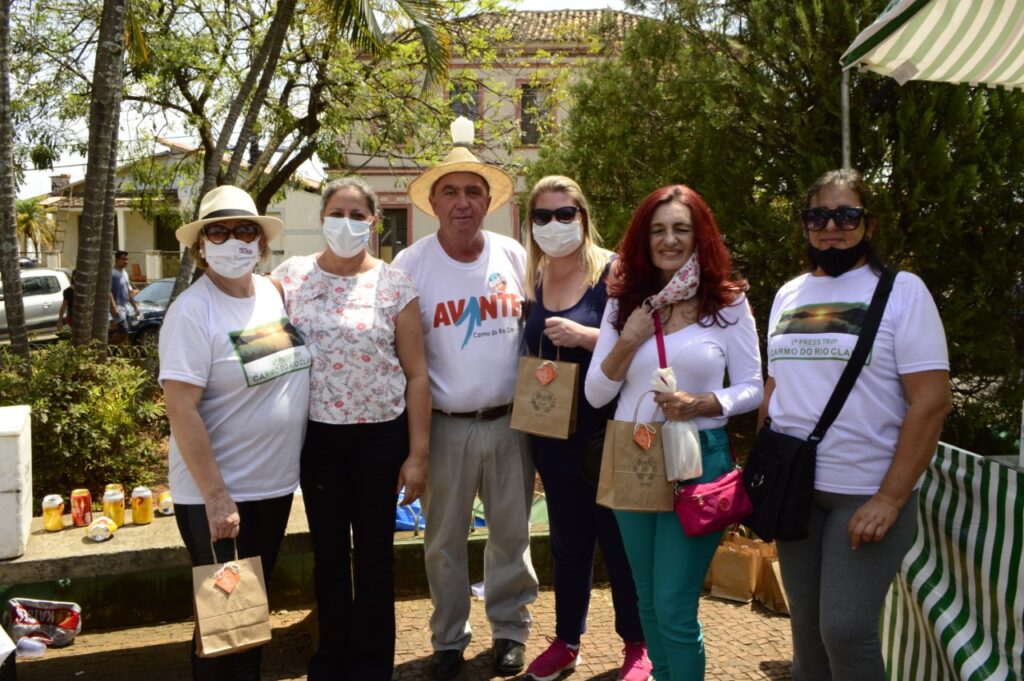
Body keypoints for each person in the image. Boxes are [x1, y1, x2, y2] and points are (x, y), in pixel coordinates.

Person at [762, 169, 951, 681]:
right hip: (797, 491)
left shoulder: (903, 292)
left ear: (869, 224)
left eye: (846, 216)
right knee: (806, 632)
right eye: (818, 216)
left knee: (845, 630)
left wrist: (890, 498)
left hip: (866, 492)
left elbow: (931, 402)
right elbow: (776, 388)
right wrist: (765, 474)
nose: (831, 228)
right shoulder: (788, 294)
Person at [585, 184, 763, 681]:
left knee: (673, 604)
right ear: (643, 240)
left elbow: (753, 387)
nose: (669, 240)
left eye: (681, 229)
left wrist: (703, 403)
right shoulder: (623, 304)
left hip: (698, 458)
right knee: (645, 597)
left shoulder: (727, 303)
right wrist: (630, 339)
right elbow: (596, 394)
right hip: (634, 452)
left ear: (699, 236)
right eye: (658, 230)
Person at [272, 177, 430, 681]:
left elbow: (417, 374)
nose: (346, 223)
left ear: (374, 222)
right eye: (336, 213)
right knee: (330, 557)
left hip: (380, 439)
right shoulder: (290, 278)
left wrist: (418, 454)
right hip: (317, 439)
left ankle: (371, 665)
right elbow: (258, 344)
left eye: (357, 215)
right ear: (322, 219)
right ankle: (330, 659)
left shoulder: (395, 285)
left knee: (376, 559)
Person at [392, 141, 538, 680]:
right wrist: (413, 446)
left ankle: (510, 631)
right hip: (445, 426)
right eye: (450, 191)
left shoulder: (514, 256)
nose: (462, 202)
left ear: (488, 201)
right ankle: (449, 639)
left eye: (473, 191)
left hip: (511, 422)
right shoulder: (410, 265)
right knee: (443, 542)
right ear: (433, 202)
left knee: (512, 535)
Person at [159, 185, 312, 681]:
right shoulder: (192, 310)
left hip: (272, 488)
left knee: (245, 614)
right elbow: (181, 408)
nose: (233, 241)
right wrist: (217, 497)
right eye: (218, 232)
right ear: (200, 246)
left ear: (261, 243)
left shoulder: (271, 293)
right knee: (229, 625)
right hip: (223, 497)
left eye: (244, 230)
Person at [520, 176, 650, 681]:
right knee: (568, 544)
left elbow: (645, 344)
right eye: (543, 216)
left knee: (621, 545)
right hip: (554, 434)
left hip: (610, 432)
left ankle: (637, 644)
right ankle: (566, 640)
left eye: (564, 214)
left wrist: (587, 336)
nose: (554, 224)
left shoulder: (615, 273)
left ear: (583, 216)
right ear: (531, 223)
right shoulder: (533, 278)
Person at [110, 250, 139, 342]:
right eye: (123, 259)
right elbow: (108, 291)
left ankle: (121, 349)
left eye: (127, 259)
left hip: (127, 307)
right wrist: (114, 307)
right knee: (123, 331)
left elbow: (129, 292)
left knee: (127, 332)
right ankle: (109, 345)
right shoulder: (112, 273)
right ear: (116, 260)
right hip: (118, 307)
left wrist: (135, 307)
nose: (126, 261)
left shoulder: (125, 273)